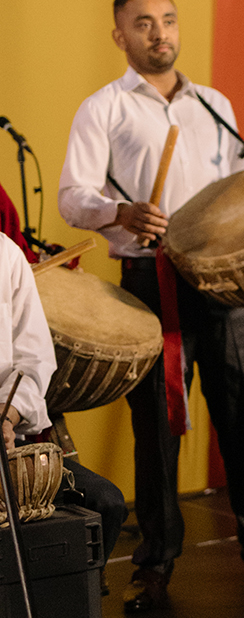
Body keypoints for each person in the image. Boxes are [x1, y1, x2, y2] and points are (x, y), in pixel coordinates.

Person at [59, 0, 244, 612]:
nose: (160, 34)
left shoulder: (212, 104)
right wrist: (118, 211)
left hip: (221, 282)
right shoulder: (104, 108)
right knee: (156, 426)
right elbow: (74, 194)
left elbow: (236, 195)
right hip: (152, 283)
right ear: (120, 36)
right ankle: (154, 562)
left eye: (169, 21)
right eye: (144, 24)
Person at [0, 234, 128, 562]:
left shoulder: (7, 255)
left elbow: (34, 360)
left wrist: (9, 413)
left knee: (105, 503)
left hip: (9, 445)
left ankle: (72, 606)